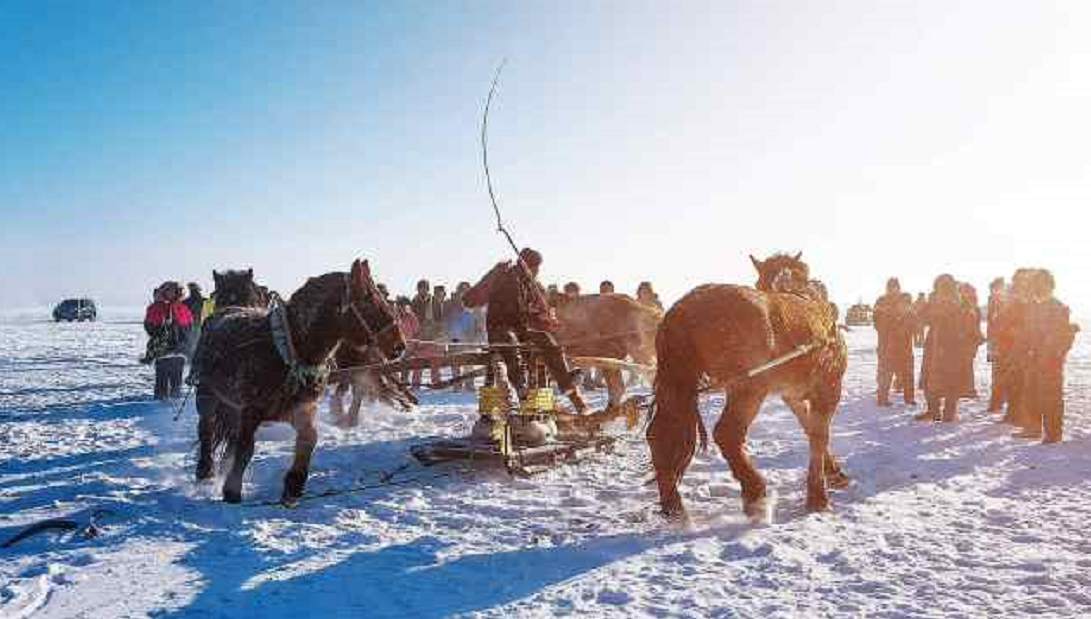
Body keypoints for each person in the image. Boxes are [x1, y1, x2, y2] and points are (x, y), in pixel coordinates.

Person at [484, 248, 587, 412]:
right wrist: (537, 317)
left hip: (518, 329)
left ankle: (564, 383)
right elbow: (515, 312)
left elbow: (532, 308)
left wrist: (544, 316)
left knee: (546, 339)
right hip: (501, 329)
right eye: (536, 268)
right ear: (527, 266)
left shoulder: (527, 282)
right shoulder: (509, 280)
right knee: (514, 348)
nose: (538, 272)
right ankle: (520, 389)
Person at [1011, 269, 1079, 442]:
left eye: (1041, 284)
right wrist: (1021, 352)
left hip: (1050, 362)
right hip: (1032, 358)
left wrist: (1055, 354)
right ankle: (1032, 428)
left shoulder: (1059, 308)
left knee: (1051, 397)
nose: (1037, 288)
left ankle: (1053, 433)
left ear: (1050, 285)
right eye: (1035, 284)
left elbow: (1065, 337)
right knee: (1030, 393)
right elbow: (1026, 332)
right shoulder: (1032, 307)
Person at [917, 275, 979, 422]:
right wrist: (930, 307)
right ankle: (933, 411)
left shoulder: (962, 304)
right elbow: (922, 318)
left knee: (951, 381)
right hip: (934, 346)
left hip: (953, 348)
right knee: (930, 381)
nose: (942, 293)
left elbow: (971, 327)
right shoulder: (935, 302)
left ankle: (949, 413)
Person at [144, 281, 194, 400]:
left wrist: (185, 342)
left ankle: (173, 406)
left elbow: (188, 327)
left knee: (176, 380)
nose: (170, 293)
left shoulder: (182, 307)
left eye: (173, 291)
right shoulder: (155, 307)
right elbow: (149, 326)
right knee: (161, 380)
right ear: (163, 292)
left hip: (178, 350)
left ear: (178, 292)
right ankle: (159, 407)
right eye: (168, 290)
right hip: (162, 349)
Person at [873, 278, 917, 406]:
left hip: (905, 345)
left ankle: (909, 397)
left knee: (907, 371)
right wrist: (886, 328)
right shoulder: (881, 301)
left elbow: (913, 319)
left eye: (895, 287)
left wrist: (906, 327)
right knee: (885, 371)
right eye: (891, 287)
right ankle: (882, 398)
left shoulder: (905, 299)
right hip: (887, 343)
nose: (893, 289)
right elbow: (876, 320)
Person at [986, 277, 1008, 412]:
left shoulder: (1005, 303)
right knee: (997, 373)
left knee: (1001, 373)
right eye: (993, 289)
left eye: (998, 289)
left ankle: (997, 402)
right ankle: (996, 401)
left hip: (1004, 342)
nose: (996, 292)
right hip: (995, 341)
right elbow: (991, 325)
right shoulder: (992, 302)